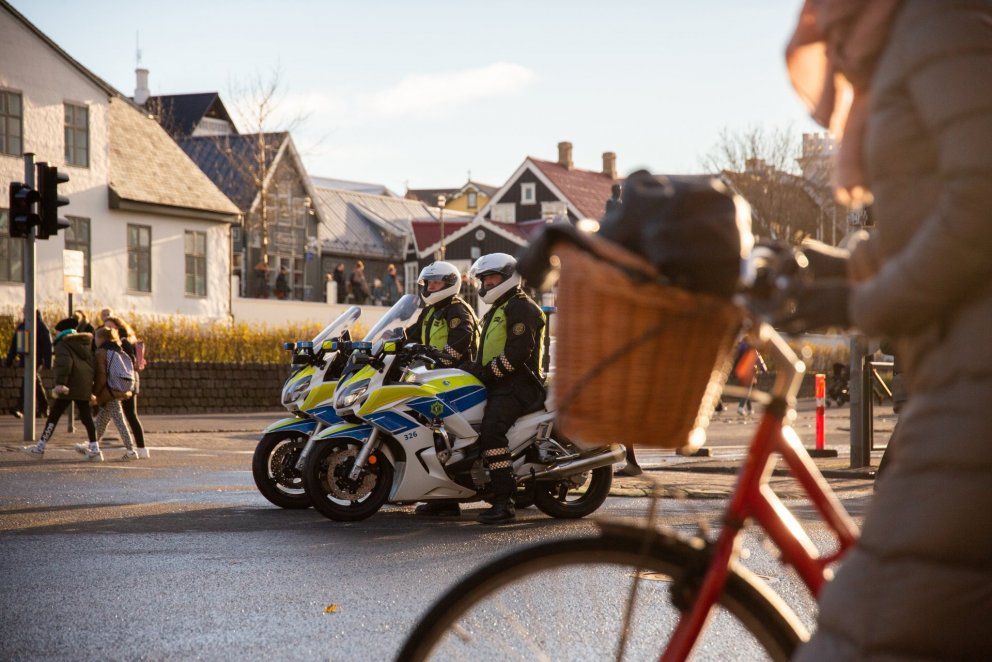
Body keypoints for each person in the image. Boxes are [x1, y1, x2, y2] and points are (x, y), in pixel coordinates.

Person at [786, 2, 992, 659]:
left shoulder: (933, 28)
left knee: (874, 628)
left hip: (976, 384)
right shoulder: (906, 39)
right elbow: (932, 216)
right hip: (955, 371)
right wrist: (832, 275)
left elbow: (982, 201)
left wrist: (871, 300)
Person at [459, 253, 546, 525]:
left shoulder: (521, 307)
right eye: (483, 279)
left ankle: (503, 501)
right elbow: (489, 352)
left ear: (508, 277)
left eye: (491, 277)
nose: (485, 283)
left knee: (491, 434)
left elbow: (518, 353)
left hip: (518, 384)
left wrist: (486, 372)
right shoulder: (499, 307)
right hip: (501, 382)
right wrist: (472, 368)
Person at [406, 262, 481, 518]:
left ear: (448, 284)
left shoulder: (457, 310)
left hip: (457, 381)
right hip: (434, 378)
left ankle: (448, 497)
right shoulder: (429, 312)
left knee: (444, 435)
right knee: (426, 430)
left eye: (435, 283)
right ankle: (437, 490)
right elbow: (410, 336)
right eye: (427, 283)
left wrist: (436, 358)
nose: (430, 287)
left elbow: (459, 344)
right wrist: (384, 346)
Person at [21, 318, 100, 460]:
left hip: (68, 386)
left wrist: (60, 383)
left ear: (61, 332)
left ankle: (40, 447)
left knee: (54, 416)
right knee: (86, 417)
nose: (55, 334)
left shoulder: (63, 344)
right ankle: (95, 448)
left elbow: (65, 364)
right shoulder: (85, 343)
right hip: (83, 385)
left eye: (56, 331)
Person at [101, 316, 148, 459]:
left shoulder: (124, 342)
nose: (107, 329)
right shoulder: (120, 342)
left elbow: (130, 361)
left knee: (130, 415)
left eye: (110, 327)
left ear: (118, 328)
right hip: (127, 381)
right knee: (110, 414)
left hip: (127, 382)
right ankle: (93, 443)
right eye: (105, 327)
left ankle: (140, 448)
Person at [90, 326, 138, 461]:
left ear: (101, 339)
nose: (95, 340)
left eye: (96, 338)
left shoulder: (101, 352)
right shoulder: (118, 349)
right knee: (102, 419)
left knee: (119, 420)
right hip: (120, 387)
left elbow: (101, 375)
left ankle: (131, 451)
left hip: (109, 389)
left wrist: (96, 392)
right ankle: (92, 444)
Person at [5, 311, 52, 419]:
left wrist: (48, 362)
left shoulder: (40, 326)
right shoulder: (23, 325)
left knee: (28, 380)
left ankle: (19, 407)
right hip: (26, 358)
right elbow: (15, 342)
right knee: (35, 382)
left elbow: (47, 345)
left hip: (36, 359)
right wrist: (10, 359)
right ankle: (44, 408)